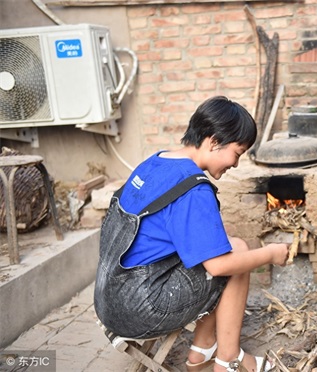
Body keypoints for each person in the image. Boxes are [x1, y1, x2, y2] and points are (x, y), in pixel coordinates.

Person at [94, 96, 289, 372]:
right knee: (238, 255)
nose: (236, 163)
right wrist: (270, 253)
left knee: (230, 245)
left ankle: (201, 350)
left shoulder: (156, 162)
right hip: (138, 309)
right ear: (213, 141)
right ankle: (228, 360)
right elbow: (219, 266)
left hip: (110, 296)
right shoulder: (193, 189)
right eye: (237, 153)